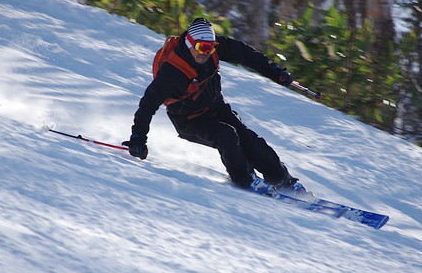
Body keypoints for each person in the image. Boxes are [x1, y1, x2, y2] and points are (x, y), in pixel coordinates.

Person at [123, 18, 306, 196]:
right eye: (202, 47)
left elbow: (246, 54)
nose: (206, 52)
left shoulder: (213, 48)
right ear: (189, 44)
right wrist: (138, 138)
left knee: (251, 141)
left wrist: (274, 71)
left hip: (216, 107)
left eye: (210, 48)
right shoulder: (172, 72)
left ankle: (284, 182)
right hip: (189, 120)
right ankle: (245, 179)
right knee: (227, 136)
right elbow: (148, 104)